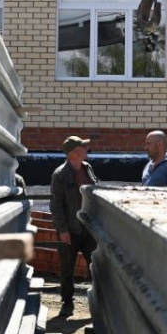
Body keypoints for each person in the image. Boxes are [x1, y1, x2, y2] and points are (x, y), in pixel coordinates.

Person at [49, 135, 98, 316]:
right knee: (67, 268)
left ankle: (98, 300)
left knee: (95, 265)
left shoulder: (88, 168)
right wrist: (62, 230)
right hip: (70, 229)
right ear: (75, 153)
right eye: (83, 148)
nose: (87, 150)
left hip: (89, 228)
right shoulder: (60, 174)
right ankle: (67, 302)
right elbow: (56, 205)